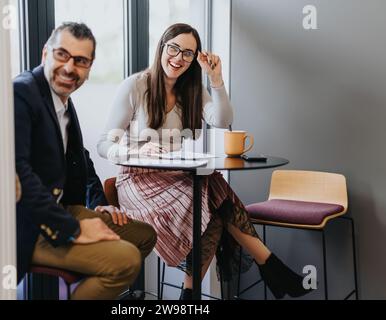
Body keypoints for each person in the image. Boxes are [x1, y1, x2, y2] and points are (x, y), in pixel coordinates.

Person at [98, 23, 314, 300]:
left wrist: (217, 80)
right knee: (212, 196)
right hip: (138, 181)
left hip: (176, 177)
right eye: (173, 48)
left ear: (195, 58)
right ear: (162, 47)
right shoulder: (136, 85)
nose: (178, 58)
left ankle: (192, 293)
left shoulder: (193, 91)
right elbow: (104, 143)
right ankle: (270, 268)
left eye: (188, 53)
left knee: (212, 188)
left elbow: (222, 120)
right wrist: (135, 153)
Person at [14, 22, 157, 300]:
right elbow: (18, 173)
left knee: (143, 235)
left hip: (68, 207)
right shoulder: (22, 94)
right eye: (62, 55)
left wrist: (98, 203)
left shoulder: (62, 99)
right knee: (126, 259)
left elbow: (80, 160)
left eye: (80, 61)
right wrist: (75, 229)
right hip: (30, 223)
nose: (69, 68)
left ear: (89, 68)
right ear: (45, 54)